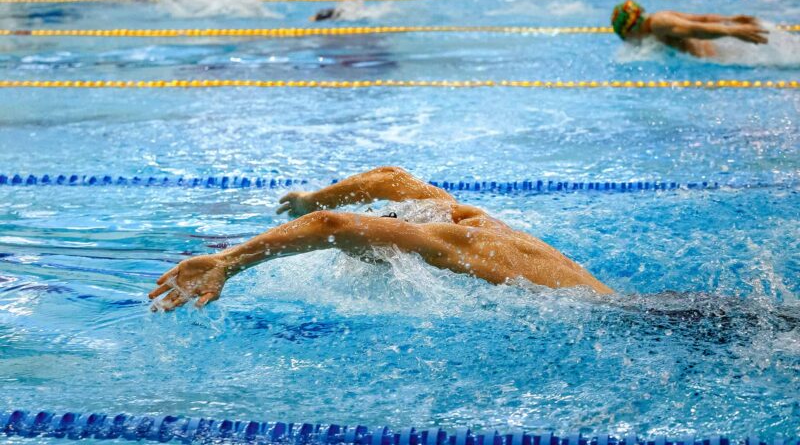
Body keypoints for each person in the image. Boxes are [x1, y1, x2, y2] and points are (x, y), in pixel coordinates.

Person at [148, 167, 613, 311]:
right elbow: (391, 177)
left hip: (626, 322)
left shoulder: (448, 242)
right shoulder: (468, 219)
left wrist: (227, 261)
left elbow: (334, 226)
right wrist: (311, 197)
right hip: (627, 305)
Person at [610, 0, 769, 58]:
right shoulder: (661, 16)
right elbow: (702, 18)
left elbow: (696, 29)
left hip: (712, 60)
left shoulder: (659, 23)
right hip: (716, 54)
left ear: (631, 29)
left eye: (628, 37)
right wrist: (730, 20)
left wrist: (732, 31)